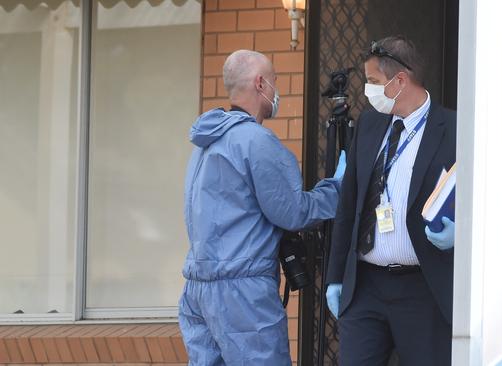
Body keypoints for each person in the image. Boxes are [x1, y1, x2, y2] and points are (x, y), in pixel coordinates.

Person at [179, 49, 346, 366]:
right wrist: (337, 187)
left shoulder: (206, 143)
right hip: (242, 297)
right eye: (275, 81)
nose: (276, 89)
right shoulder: (254, 141)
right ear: (260, 83)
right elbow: (293, 211)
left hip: (198, 291)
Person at [325, 36, 457, 365]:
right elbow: (348, 206)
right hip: (366, 286)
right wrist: (335, 276)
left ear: (400, 80)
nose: (368, 90)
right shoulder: (370, 124)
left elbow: (478, 197)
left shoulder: (453, 128)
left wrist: (463, 230)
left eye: (373, 82)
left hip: (422, 289)